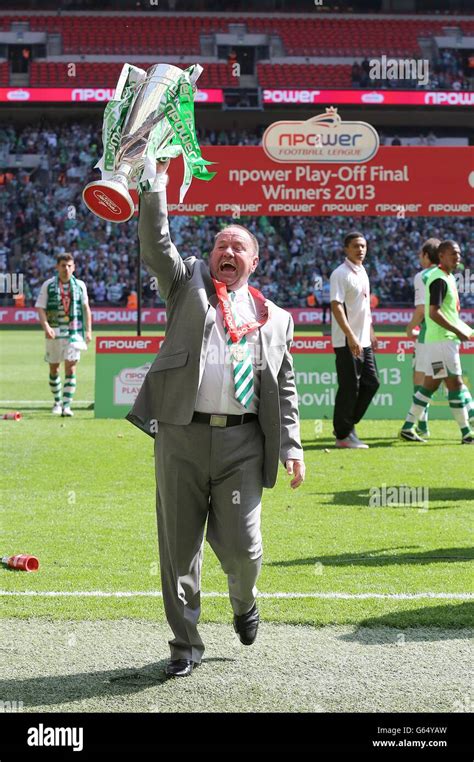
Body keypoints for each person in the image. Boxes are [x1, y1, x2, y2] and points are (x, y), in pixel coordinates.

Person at [126, 159, 305, 678]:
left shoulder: (278, 319)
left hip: (244, 445)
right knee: (178, 549)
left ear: (255, 259)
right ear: (210, 256)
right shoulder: (186, 288)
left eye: (238, 247)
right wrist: (154, 181)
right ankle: (185, 646)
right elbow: (156, 242)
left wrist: (292, 445)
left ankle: (244, 601)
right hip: (181, 435)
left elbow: (286, 387)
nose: (228, 252)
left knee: (244, 549)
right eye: (221, 245)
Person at [400, 240, 473, 444]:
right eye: (452, 253)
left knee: (430, 384)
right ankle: (467, 432)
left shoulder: (446, 277)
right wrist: (458, 330)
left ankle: (408, 426)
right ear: (441, 256)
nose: (457, 257)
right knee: (455, 384)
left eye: (458, 253)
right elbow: (434, 313)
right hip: (442, 342)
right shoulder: (439, 279)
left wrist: (465, 330)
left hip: (438, 341)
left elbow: (449, 313)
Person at [330, 232, 380, 449]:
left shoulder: (362, 272)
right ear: (346, 249)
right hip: (346, 341)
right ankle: (343, 435)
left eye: (363, 246)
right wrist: (351, 336)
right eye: (356, 246)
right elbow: (336, 305)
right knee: (349, 387)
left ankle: (345, 425)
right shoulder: (339, 274)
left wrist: (370, 331)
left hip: (363, 341)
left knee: (372, 383)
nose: (361, 250)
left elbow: (364, 307)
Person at [35, 253, 91, 417]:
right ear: (57, 267)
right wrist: (46, 326)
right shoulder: (49, 285)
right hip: (54, 333)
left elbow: (86, 309)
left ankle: (66, 405)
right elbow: (40, 307)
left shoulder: (80, 285)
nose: (66, 269)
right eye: (63, 265)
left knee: (71, 368)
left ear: (73, 267)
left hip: (74, 333)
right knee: (54, 368)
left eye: (69, 266)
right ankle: (57, 401)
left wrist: (88, 330)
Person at [404, 238, 441, 439]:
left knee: (420, 381)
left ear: (427, 255)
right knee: (443, 380)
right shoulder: (446, 275)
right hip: (445, 337)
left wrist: (410, 328)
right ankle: (422, 426)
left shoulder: (423, 276)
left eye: (421, 254)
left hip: (427, 337)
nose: (419, 257)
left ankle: (419, 425)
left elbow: (421, 310)